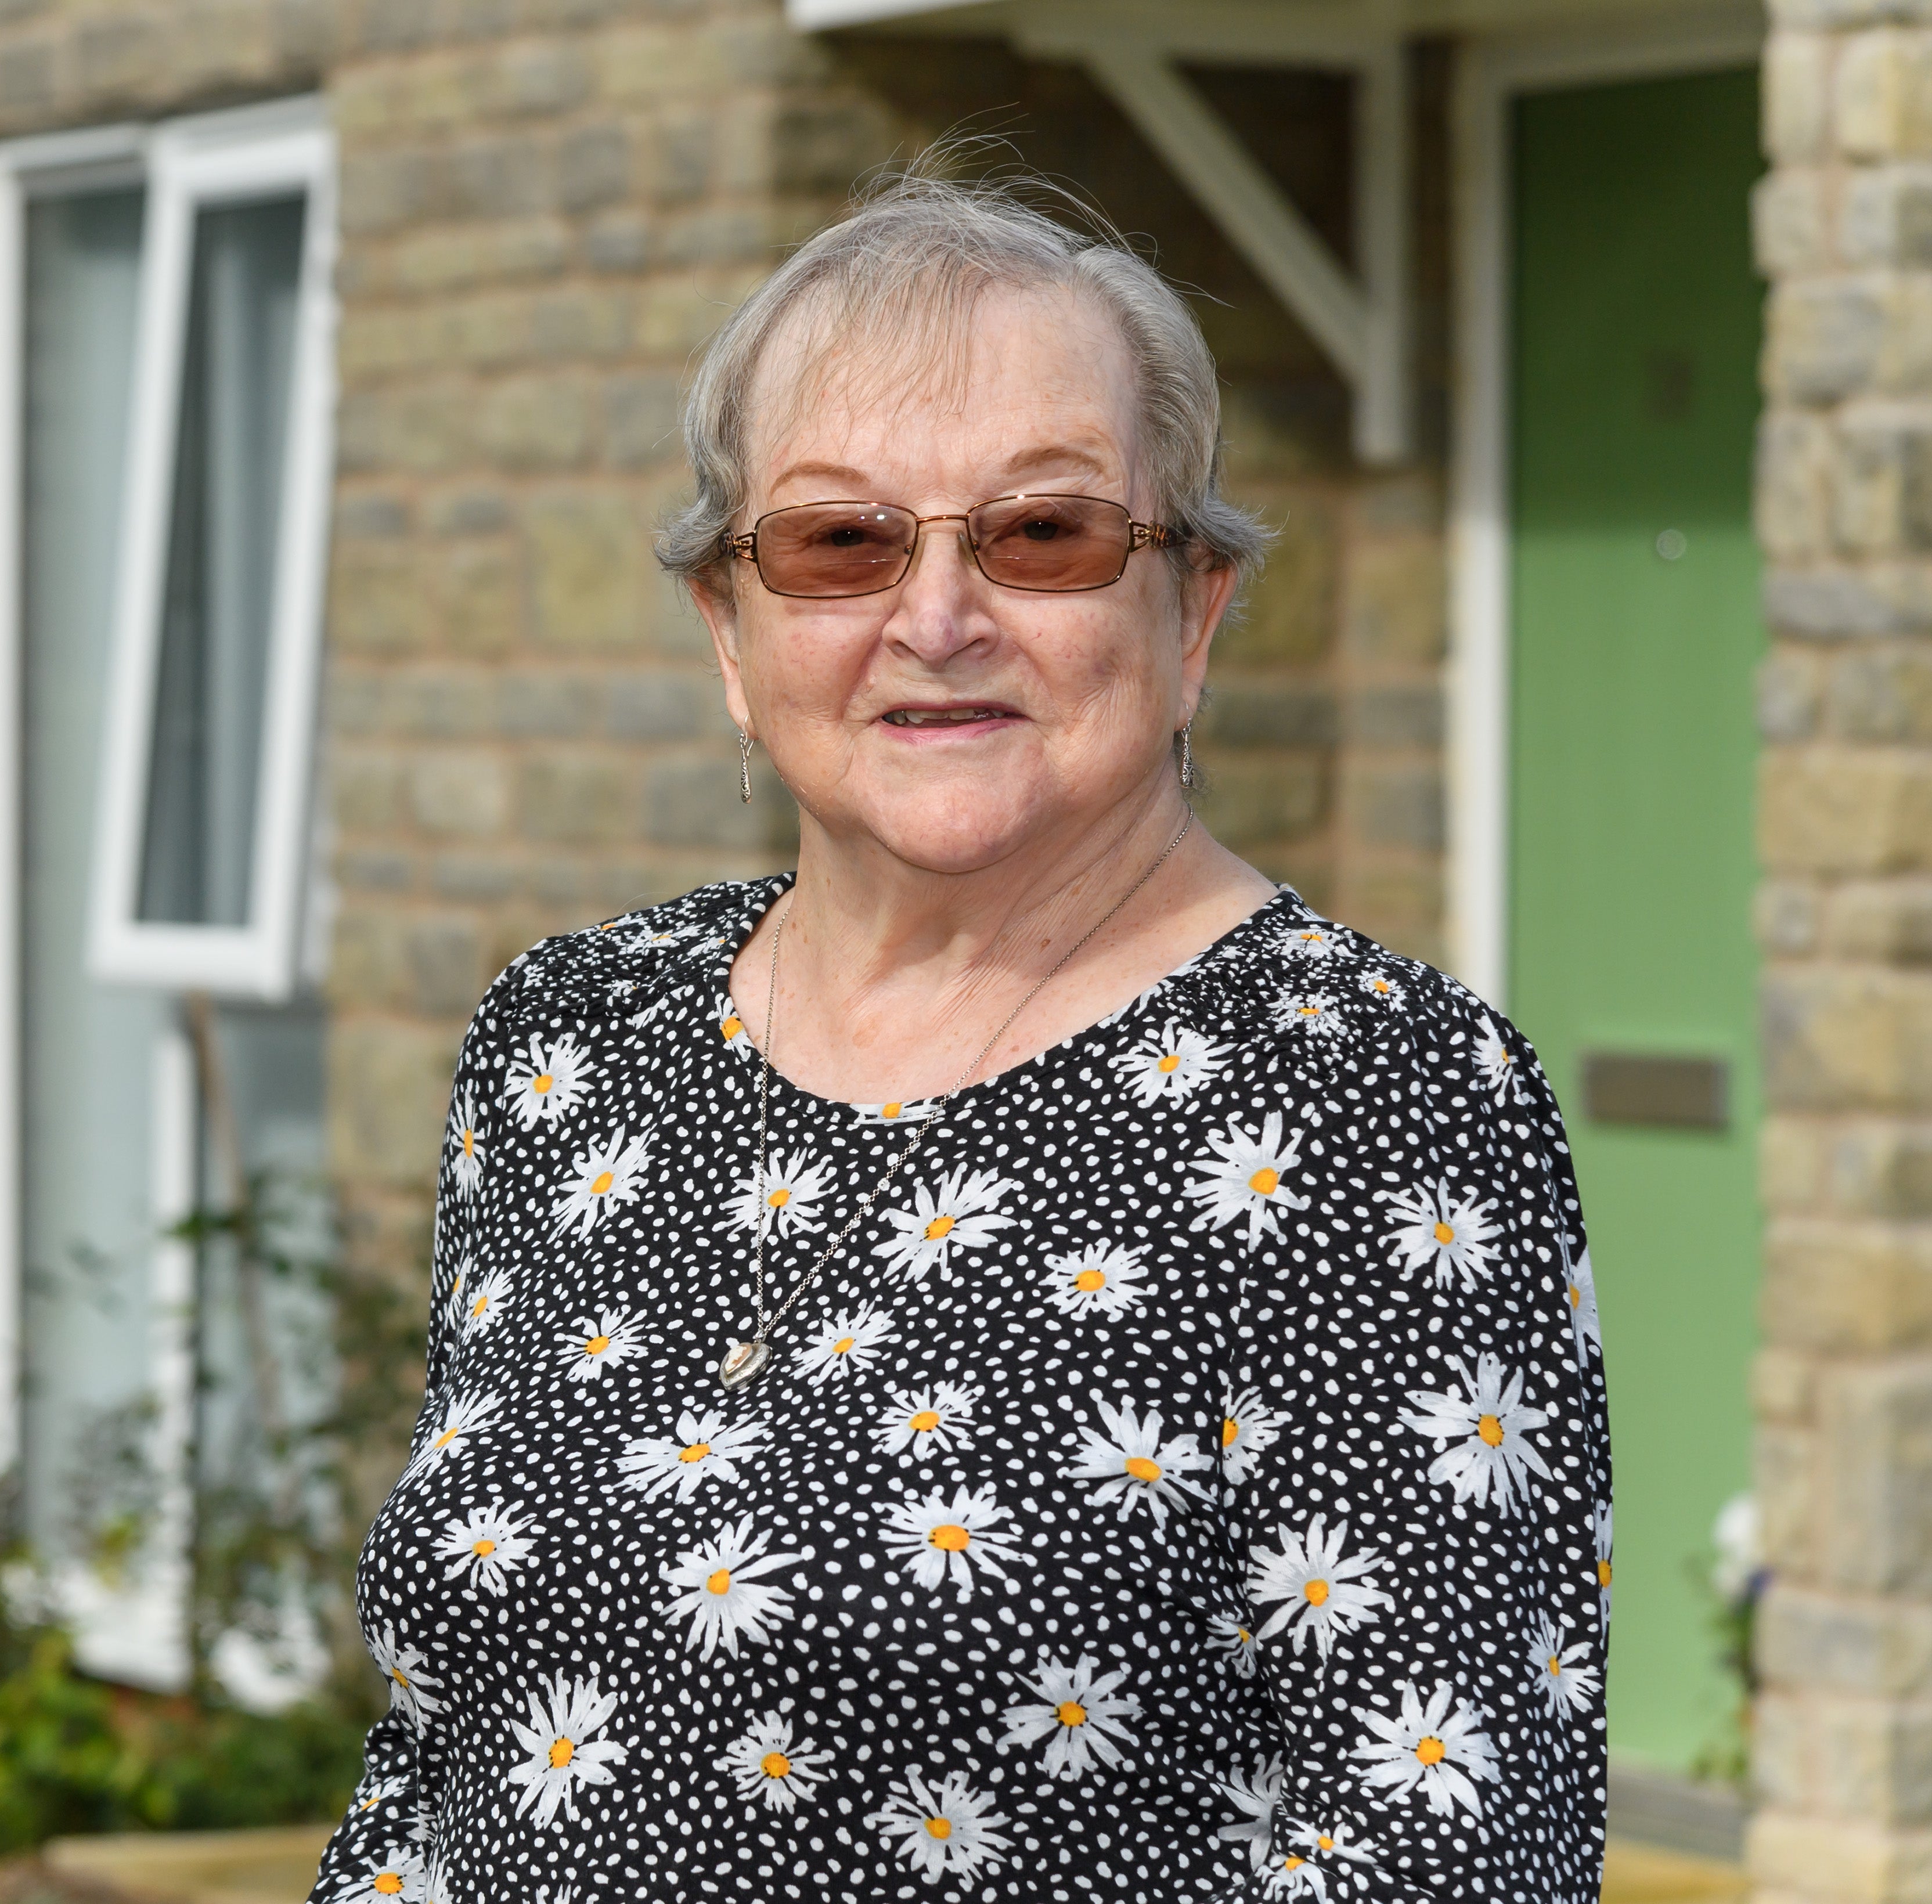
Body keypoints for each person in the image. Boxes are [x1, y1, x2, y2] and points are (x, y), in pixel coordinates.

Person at [307, 167, 1609, 1903]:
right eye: (842, 542)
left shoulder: (1371, 1093)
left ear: (1193, 608)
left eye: (1042, 534)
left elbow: (1443, 1854)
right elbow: (437, 1753)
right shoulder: (576, 1037)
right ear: (729, 624)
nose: (937, 621)